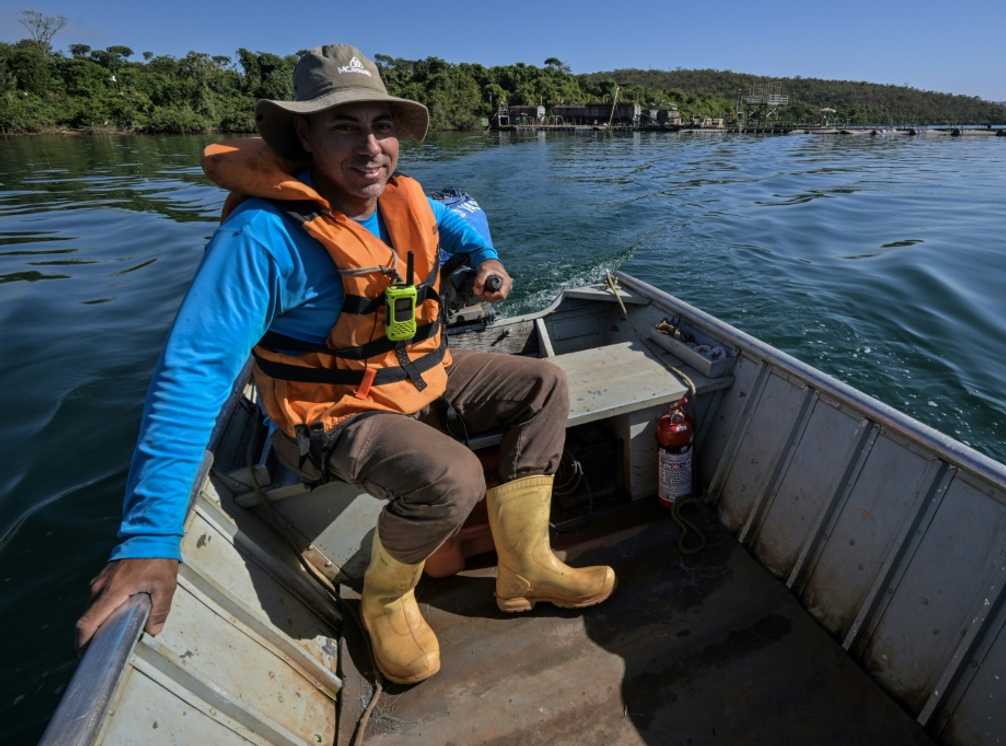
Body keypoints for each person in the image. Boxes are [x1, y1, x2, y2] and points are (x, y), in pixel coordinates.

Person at [76, 44, 615, 685]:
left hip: (414, 374)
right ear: (305, 135)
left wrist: (487, 260)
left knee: (544, 384)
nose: (370, 147)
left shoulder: (403, 199)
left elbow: (460, 230)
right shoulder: (262, 237)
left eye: (381, 126)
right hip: (331, 413)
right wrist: (148, 540)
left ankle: (524, 568)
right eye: (344, 126)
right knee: (454, 475)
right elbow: (192, 374)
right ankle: (384, 598)